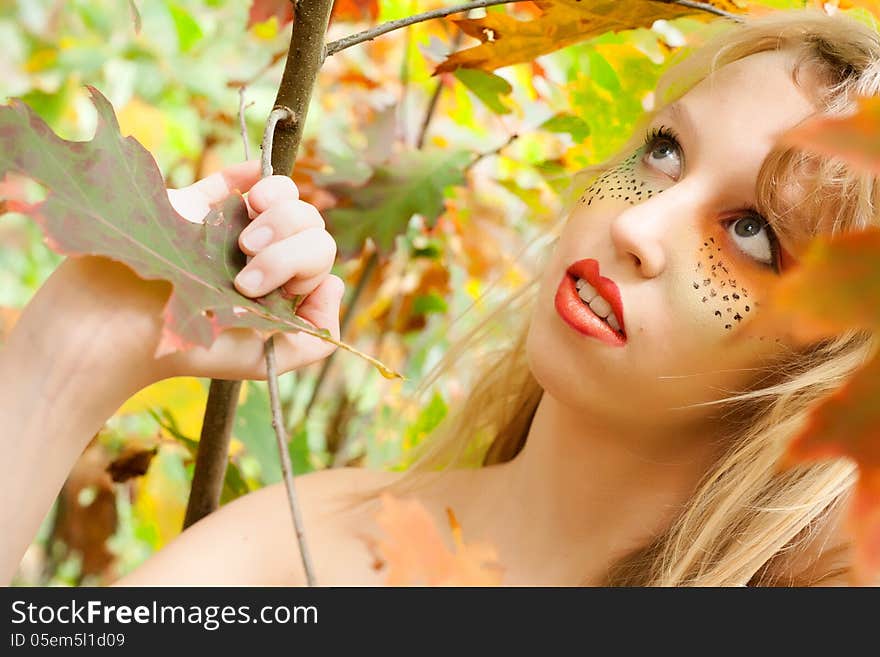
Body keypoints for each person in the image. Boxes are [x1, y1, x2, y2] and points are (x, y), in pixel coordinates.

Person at [2, 8, 878, 587]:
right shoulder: (316, 541)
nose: (640, 229)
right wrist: (69, 357)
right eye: (662, 151)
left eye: (755, 232)